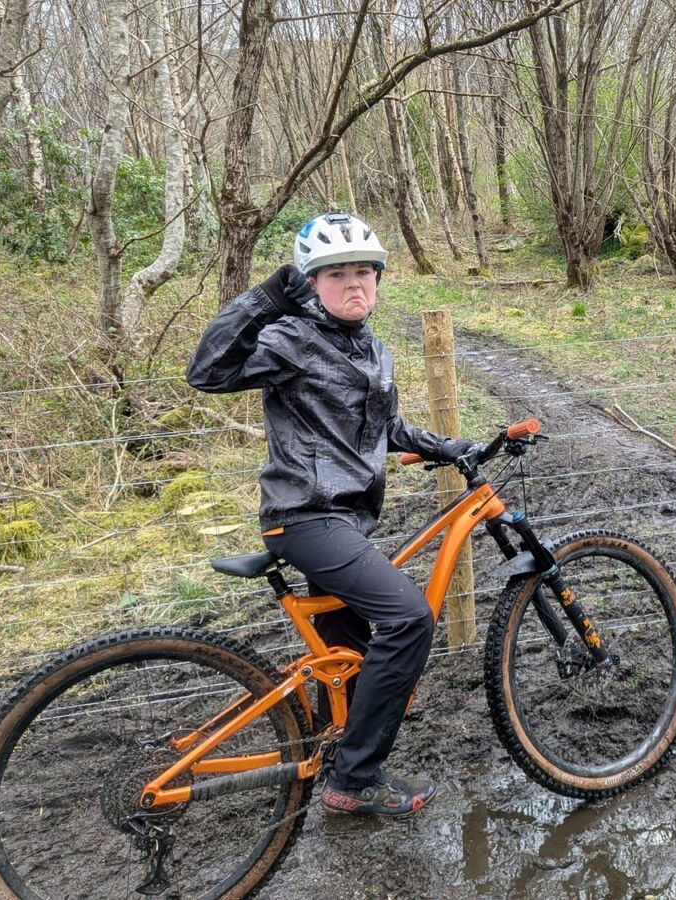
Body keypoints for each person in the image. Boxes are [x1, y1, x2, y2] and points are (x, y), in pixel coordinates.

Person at [186, 212, 478, 818]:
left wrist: (443, 445)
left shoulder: (375, 349)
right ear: (311, 283)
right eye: (335, 274)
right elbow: (206, 372)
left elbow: (384, 428)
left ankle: (330, 751)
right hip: (305, 518)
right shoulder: (290, 339)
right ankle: (354, 779)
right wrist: (266, 296)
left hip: (345, 523)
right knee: (409, 620)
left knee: (349, 655)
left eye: (363, 273)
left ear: (378, 280)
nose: (353, 285)